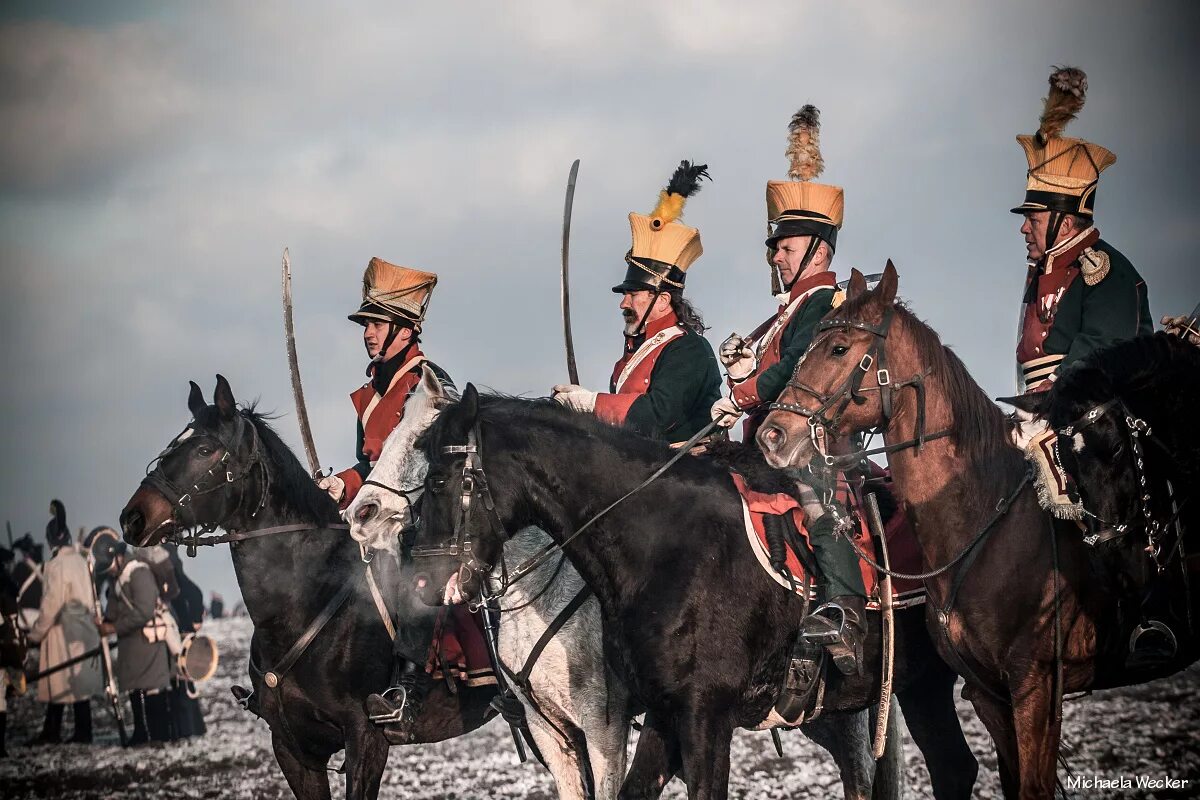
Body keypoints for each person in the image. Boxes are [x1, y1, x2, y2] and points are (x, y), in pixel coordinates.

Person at [712, 105, 868, 676]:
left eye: (786, 245)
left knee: (812, 490)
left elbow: (796, 369)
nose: (775, 255)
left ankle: (843, 605)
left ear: (819, 251)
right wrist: (741, 369)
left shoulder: (827, 304)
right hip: (768, 436)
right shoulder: (786, 310)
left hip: (812, 441)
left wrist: (749, 386)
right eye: (776, 246)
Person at [318, 258, 464, 742]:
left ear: (407, 329)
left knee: (409, 568)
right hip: (382, 509)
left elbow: (438, 459)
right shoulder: (372, 391)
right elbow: (371, 466)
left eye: (378, 324)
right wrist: (342, 483)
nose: (369, 334)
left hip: (427, 515)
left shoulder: (428, 383)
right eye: (367, 325)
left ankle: (409, 686)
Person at [1007, 67, 1152, 519]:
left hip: (1100, 422)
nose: (1023, 228)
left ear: (1065, 221)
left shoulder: (1107, 271)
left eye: (1033, 218)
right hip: (1046, 410)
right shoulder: (1046, 270)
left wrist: (1047, 410)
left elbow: (1099, 357)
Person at [551, 160, 721, 445]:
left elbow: (658, 415)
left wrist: (593, 404)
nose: (623, 304)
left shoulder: (688, 348)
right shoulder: (635, 352)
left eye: (633, 295)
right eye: (624, 295)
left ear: (663, 300)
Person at [26, 500, 102, 745]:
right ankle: (81, 731)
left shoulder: (56, 565)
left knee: (57, 682)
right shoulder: (80, 561)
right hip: (84, 630)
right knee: (78, 688)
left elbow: (51, 604)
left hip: (63, 632)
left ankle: (54, 731)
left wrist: (35, 635)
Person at [95, 538, 172, 746]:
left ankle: (160, 735)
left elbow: (144, 612)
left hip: (147, 642)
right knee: (134, 690)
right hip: (130, 644)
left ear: (118, 557)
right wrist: (104, 621)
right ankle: (141, 733)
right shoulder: (117, 578)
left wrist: (113, 627)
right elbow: (112, 610)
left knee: (152, 690)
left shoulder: (139, 572)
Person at [166, 545, 206, 738]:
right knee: (185, 685)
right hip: (186, 635)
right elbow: (196, 594)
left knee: (181, 686)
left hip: (180, 637)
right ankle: (193, 728)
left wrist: (192, 623)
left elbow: (194, 595)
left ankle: (186, 729)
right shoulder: (182, 581)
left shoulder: (172, 583)